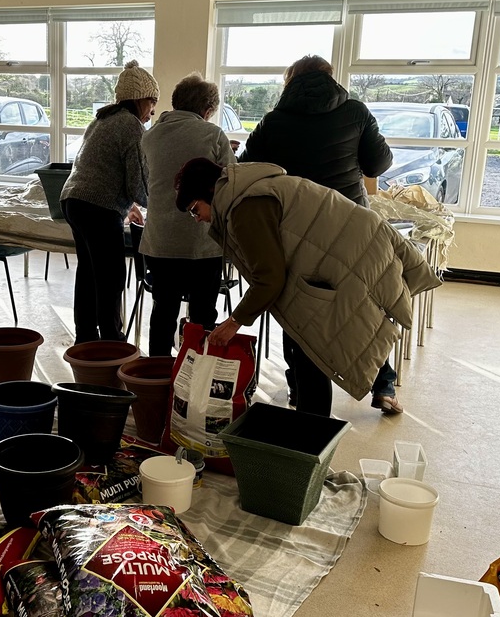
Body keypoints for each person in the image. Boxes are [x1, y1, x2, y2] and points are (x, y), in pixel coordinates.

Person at [176, 158, 438, 417]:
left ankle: (310, 442)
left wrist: (234, 322)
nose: (197, 219)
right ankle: (307, 427)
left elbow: (269, 278)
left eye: (195, 210)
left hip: (346, 261)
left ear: (210, 191)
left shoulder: (245, 207)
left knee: (313, 354)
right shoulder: (250, 186)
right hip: (347, 251)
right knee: (303, 346)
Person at [241, 54, 404, 413]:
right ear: (330, 78)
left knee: (297, 309)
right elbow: (379, 163)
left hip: (295, 231)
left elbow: (244, 168)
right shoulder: (356, 112)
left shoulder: (274, 121)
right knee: (363, 308)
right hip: (351, 229)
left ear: (291, 81)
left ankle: (299, 387)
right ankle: (384, 384)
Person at [60, 60, 157, 343]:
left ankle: (86, 338)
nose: (152, 112)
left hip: (73, 200)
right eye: (153, 103)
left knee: (89, 273)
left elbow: (102, 170)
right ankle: (112, 341)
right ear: (143, 99)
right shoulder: (132, 126)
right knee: (112, 277)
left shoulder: (102, 119)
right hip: (98, 208)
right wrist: (161, 205)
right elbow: (138, 184)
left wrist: (130, 206)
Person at [139, 72, 235, 356]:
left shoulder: (150, 136)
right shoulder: (213, 134)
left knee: (163, 309)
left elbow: (146, 183)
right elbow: (231, 184)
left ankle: (157, 374)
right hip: (201, 244)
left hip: (158, 242)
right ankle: (196, 374)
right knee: (203, 314)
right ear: (206, 110)